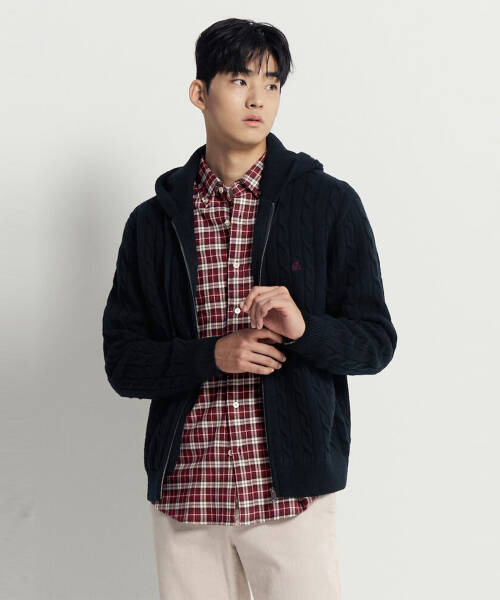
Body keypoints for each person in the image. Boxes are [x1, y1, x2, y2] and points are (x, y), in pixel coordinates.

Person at [102, 17, 397, 600]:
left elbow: (375, 343)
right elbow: (123, 363)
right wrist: (212, 355)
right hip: (188, 496)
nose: (258, 98)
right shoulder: (153, 223)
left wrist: (305, 329)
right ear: (199, 92)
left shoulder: (328, 204)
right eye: (240, 80)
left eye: (272, 83)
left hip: (290, 497)